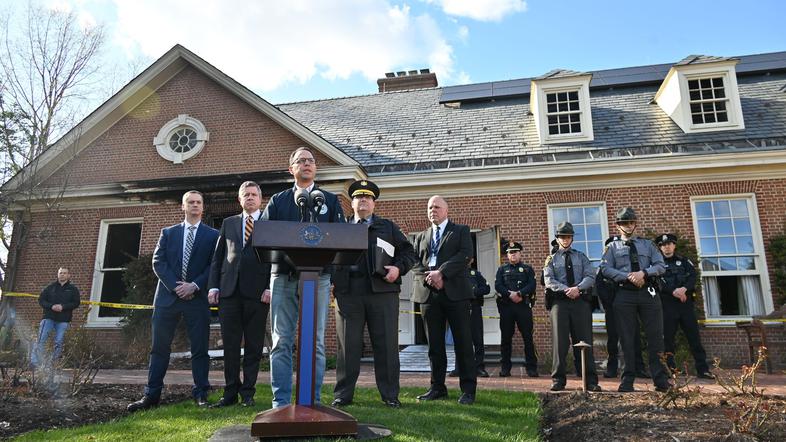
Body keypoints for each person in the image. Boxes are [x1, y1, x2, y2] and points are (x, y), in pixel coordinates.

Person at [261, 147, 345, 408]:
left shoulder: (329, 201)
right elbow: (264, 237)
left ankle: (313, 401)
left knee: (316, 342)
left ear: (315, 168)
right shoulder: (278, 201)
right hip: (283, 278)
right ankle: (281, 403)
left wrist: (328, 276)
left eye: (310, 161)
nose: (306, 164)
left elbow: (342, 240)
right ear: (291, 169)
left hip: (317, 280)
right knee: (281, 341)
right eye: (301, 161)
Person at [128, 191, 219, 411]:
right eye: (191, 202)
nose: (195, 205)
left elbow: (214, 265)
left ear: (203, 207)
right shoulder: (168, 233)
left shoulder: (213, 235)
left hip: (196, 299)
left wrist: (194, 286)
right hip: (167, 299)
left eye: (199, 202)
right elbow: (158, 262)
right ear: (183, 206)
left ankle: (201, 394)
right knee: (159, 348)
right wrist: (176, 287)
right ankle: (151, 396)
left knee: (199, 349)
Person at [332, 180, 417, 408]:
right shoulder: (341, 227)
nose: (363, 201)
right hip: (349, 293)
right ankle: (343, 395)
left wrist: (398, 268)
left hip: (382, 293)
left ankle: (390, 395)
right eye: (359, 197)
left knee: (387, 345)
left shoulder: (387, 227)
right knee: (347, 347)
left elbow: (409, 253)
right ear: (352, 202)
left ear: (374, 203)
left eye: (368, 198)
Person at [207, 181, 272, 408]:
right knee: (231, 346)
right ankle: (230, 393)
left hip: (257, 294)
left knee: (254, 347)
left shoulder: (269, 223)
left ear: (260, 198)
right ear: (240, 199)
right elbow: (218, 257)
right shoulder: (229, 223)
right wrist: (213, 286)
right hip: (229, 292)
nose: (250, 198)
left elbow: (276, 258)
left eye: (254, 195)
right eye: (246, 195)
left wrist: (270, 287)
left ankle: (248, 394)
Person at [411, 195, 477, 405]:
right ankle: (437, 387)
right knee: (434, 346)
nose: (433, 210)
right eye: (430, 207)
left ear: (446, 210)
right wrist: (431, 278)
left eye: (437, 207)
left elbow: (466, 254)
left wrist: (442, 273)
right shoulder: (421, 236)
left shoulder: (460, 231)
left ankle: (468, 390)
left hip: (455, 293)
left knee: (463, 343)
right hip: (429, 295)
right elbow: (414, 262)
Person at [600, 207, 670, 392]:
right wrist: (627, 276)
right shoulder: (612, 248)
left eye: (630, 222)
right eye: (623, 223)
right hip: (624, 294)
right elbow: (605, 269)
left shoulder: (648, 245)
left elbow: (660, 265)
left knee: (655, 337)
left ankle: (660, 379)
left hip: (648, 292)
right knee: (626, 338)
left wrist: (644, 273)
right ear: (617, 225)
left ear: (635, 224)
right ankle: (627, 379)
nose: (628, 226)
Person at [543, 222, 601, 392]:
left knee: (584, 340)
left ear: (572, 238)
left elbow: (590, 276)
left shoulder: (581, 257)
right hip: (559, 303)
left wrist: (578, 288)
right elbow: (549, 280)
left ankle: (590, 380)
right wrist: (566, 290)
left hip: (580, 302)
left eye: (568, 236)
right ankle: (558, 380)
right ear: (557, 238)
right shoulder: (551, 259)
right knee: (559, 343)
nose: (565, 239)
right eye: (562, 236)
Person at [655, 233, 713, 379]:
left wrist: (684, 289)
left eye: (669, 244)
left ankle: (703, 369)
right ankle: (671, 370)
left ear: (674, 245)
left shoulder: (685, 261)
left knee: (694, 337)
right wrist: (673, 291)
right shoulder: (657, 264)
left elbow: (693, 276)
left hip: (685, 304)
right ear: (660, 248)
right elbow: (657, 283)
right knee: (668, 339)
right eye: (663, 245)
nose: (666, 247)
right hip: (668, 305)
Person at [596, 236, 647, 379]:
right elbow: (600, 289)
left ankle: (639, 367)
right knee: (613, 340)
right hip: (612, 308)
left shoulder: (628, 268)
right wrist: (612, 304)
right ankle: (612, 368)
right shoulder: (603, 270)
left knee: (635, 337)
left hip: (630, 308)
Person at [494, 242, 539, 377]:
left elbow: (532, 285)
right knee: (506, 339)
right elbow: (498, 285)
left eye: (515, 252)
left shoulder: (527, 269)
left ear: (520, 253)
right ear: (507, 255)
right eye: (510, 252)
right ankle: (505, 368)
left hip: (523, 307)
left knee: (528, 338)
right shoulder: (502, 269)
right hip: (507, 307)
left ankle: (531, 368)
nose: (512, 254)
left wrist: (519, 294)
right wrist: (510, 294)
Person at [450, 258, 491, 378]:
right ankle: (459, 368)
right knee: (460, 338)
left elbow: (486, 288)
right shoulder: (454, 273)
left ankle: (479, 367)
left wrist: (472, 292)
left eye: (468, 258)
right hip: (459, 309)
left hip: (474, 308)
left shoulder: (476, 274)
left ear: (472, 260)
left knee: (477, 339)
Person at [32, 267, 80, 368]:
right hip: (48, 317)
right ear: (58, 275)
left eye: (64, 273)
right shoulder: (50, 287)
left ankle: (54, 363)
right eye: (60, 273)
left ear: (68, 275)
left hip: (63, 319)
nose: (62, 275)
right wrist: (51, 306)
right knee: (41, 339)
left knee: (59, 341)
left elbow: (76, 303)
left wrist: (63, 307)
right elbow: (41, 300)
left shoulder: (73, 289)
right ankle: (35, 362)